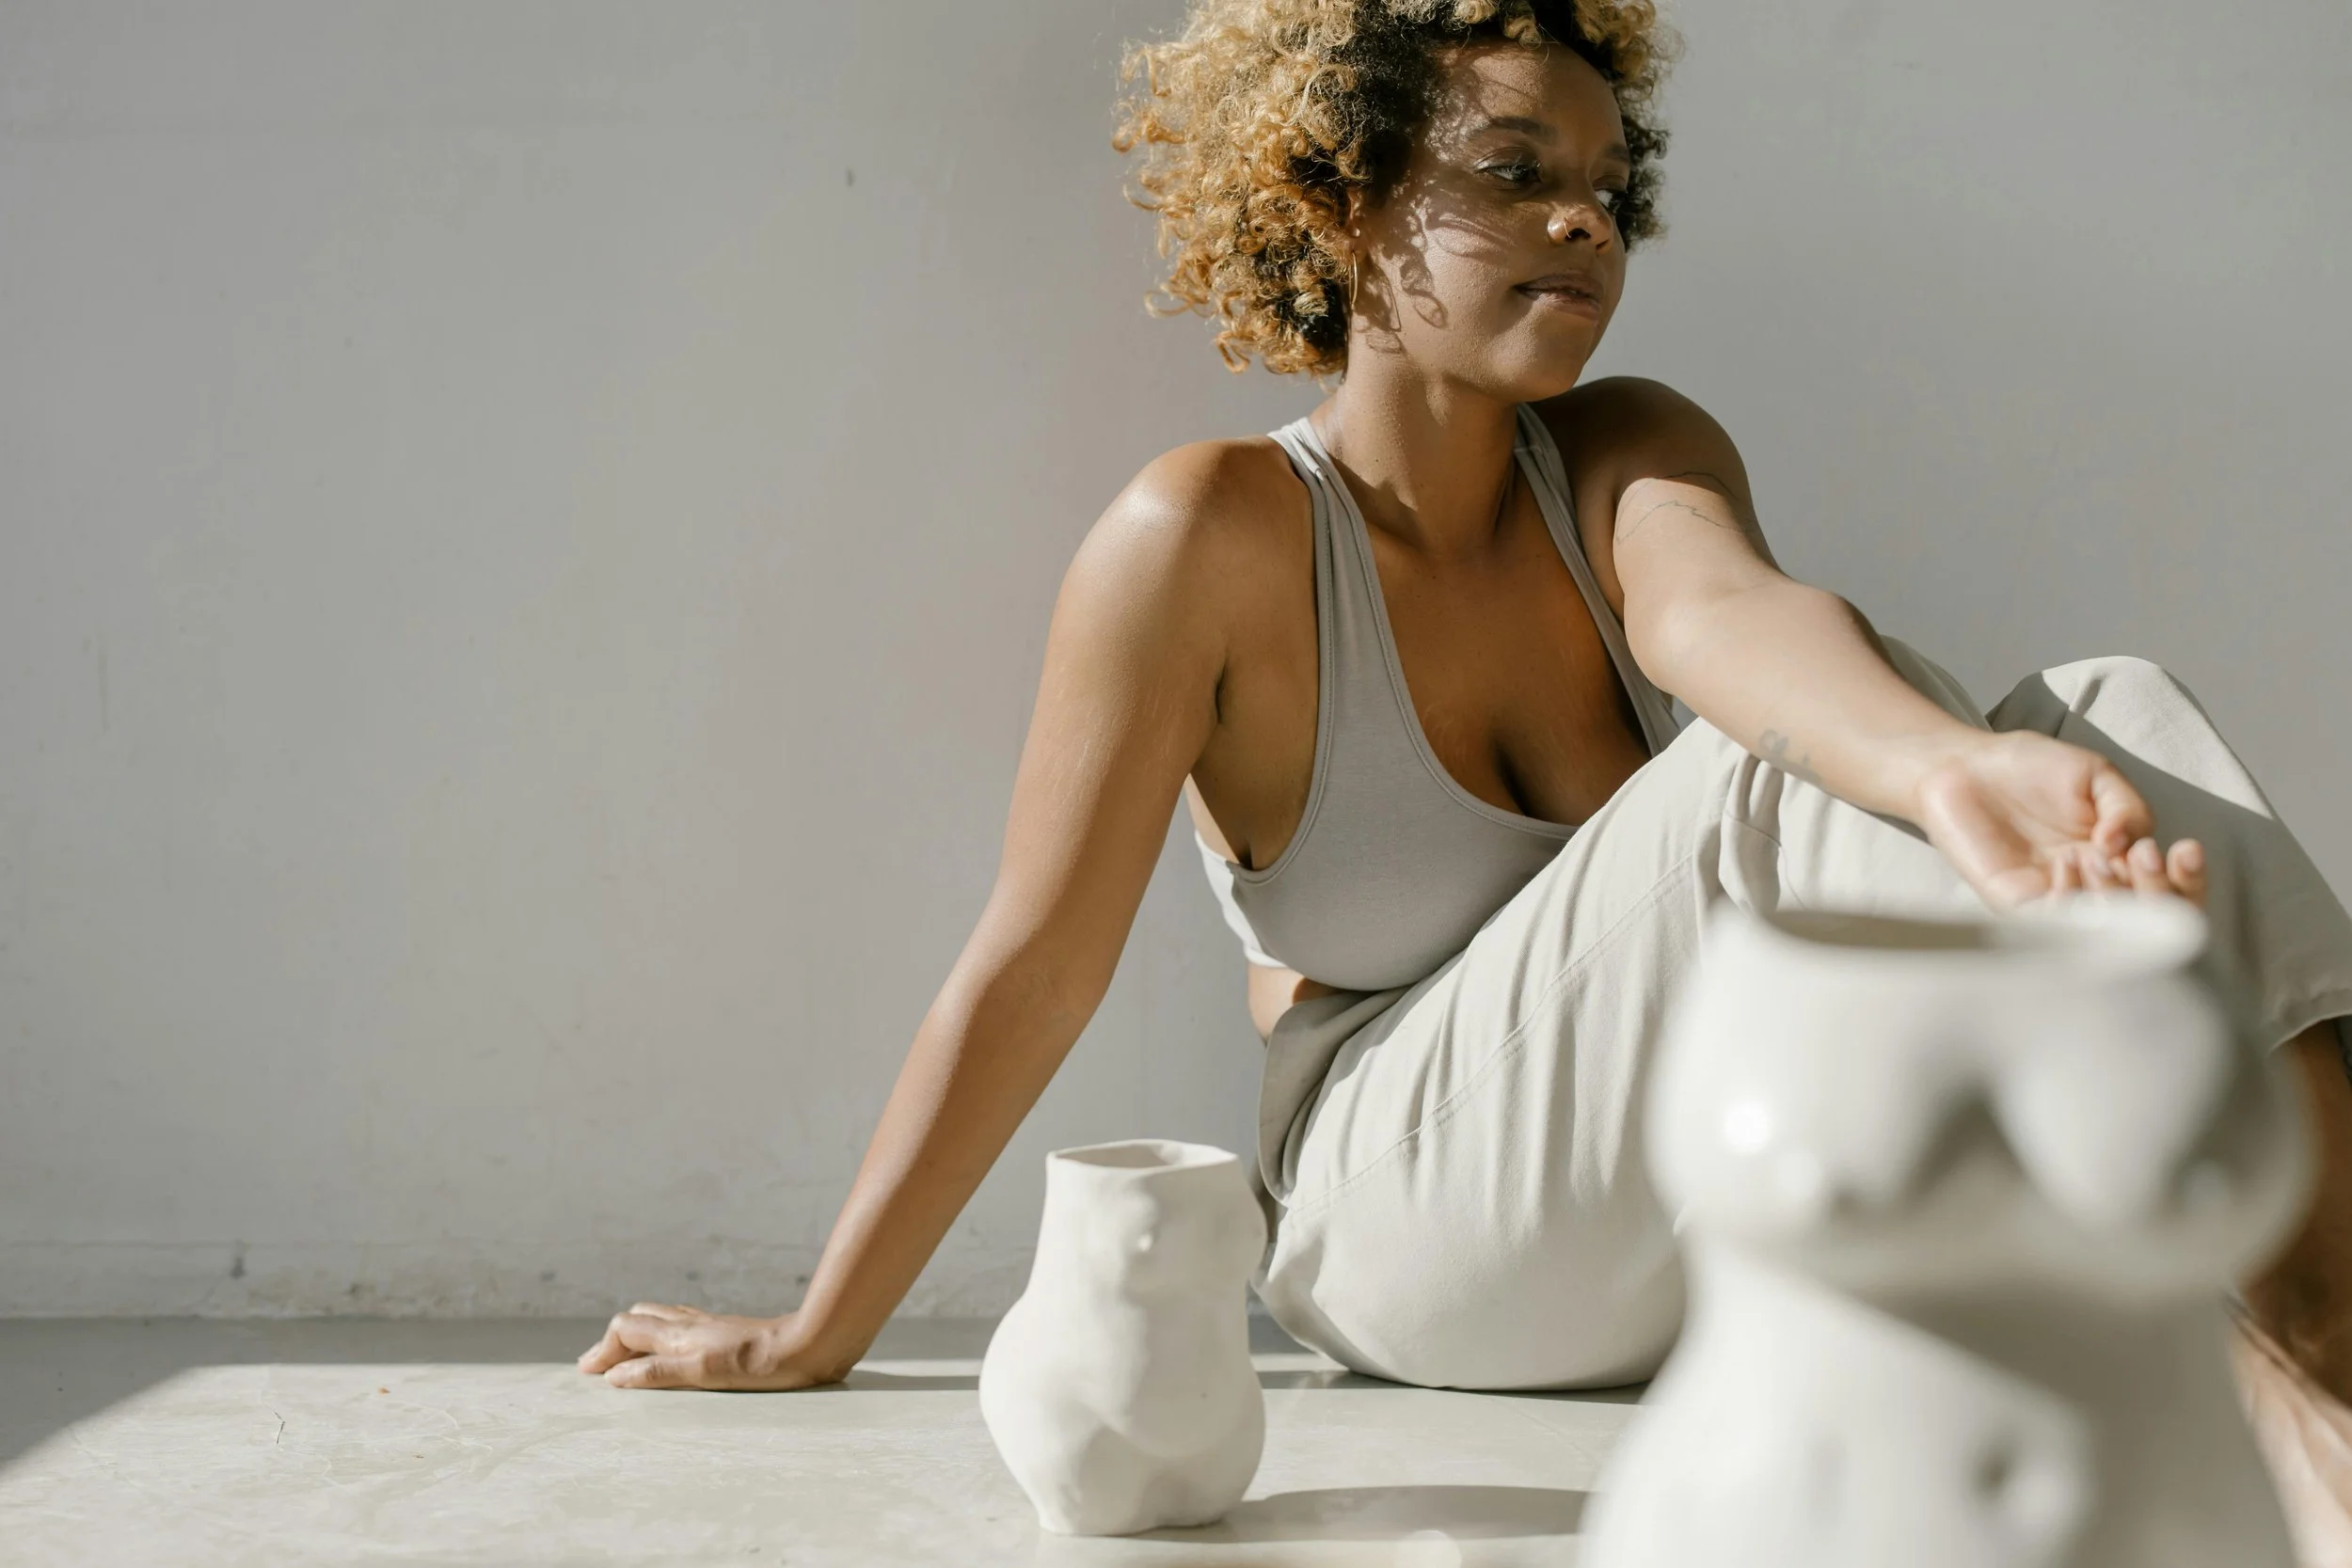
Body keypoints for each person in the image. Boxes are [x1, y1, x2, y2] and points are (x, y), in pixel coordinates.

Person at [579, 0, 2352, 1493]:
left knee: (2110, 702)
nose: (1584, 224)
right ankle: (2281, 1383)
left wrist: (1956, 768)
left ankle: (2326, 1345)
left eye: (1608, 190)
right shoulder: (1205, 537)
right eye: (1515, 174)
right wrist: (818, 1327)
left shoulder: (1629, 452)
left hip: (1687, 1207)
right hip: (1402, 1229)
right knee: (1772, 780)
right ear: (1343, 200)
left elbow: (1730, 620)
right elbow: (1035, 962)